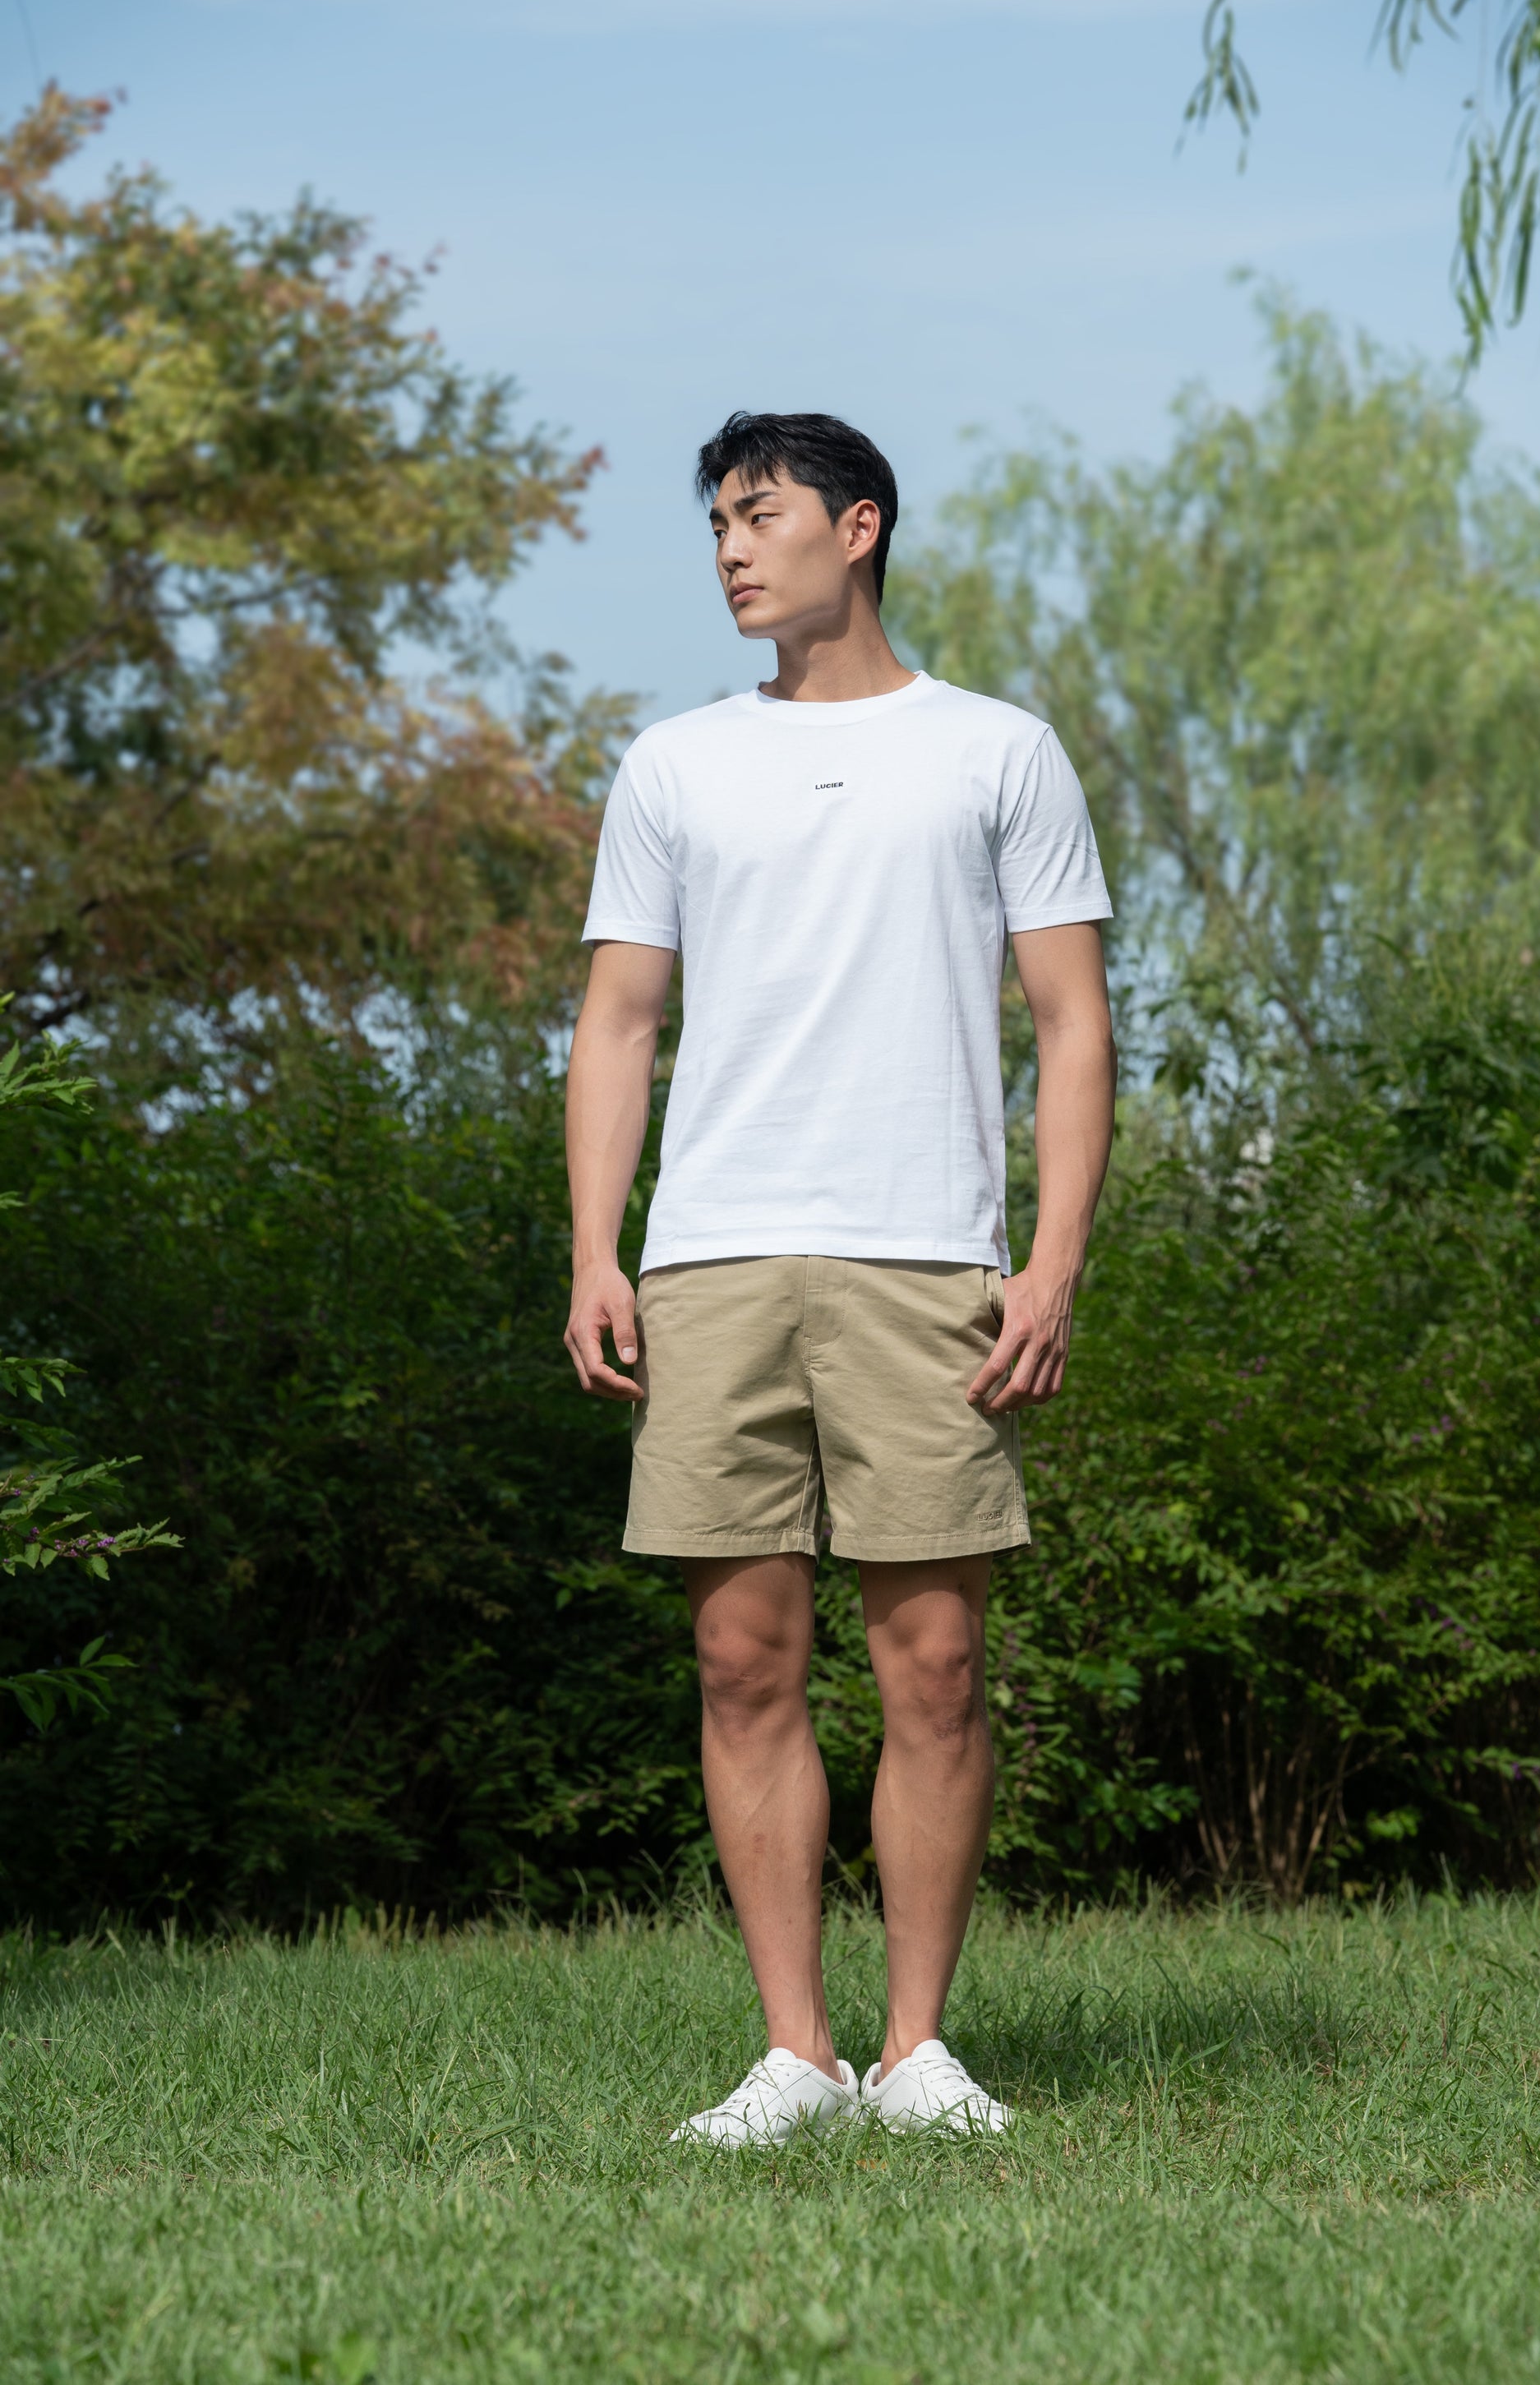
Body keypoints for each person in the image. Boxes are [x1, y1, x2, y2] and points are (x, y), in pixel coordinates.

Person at [563, 411, 1116, 2145]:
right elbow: (619, 1021)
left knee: (933, 1659)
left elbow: (1071, 1021)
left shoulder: (995, 750)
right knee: (742, 1657)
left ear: (856, 526)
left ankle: (918, 2052)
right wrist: (593, 1246)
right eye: (716, 525)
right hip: (711, 1255)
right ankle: (797, 2056)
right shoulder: (675, 764)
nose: (732, 549)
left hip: (925, 1252)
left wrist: (1051, 1261)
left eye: (760, 515)